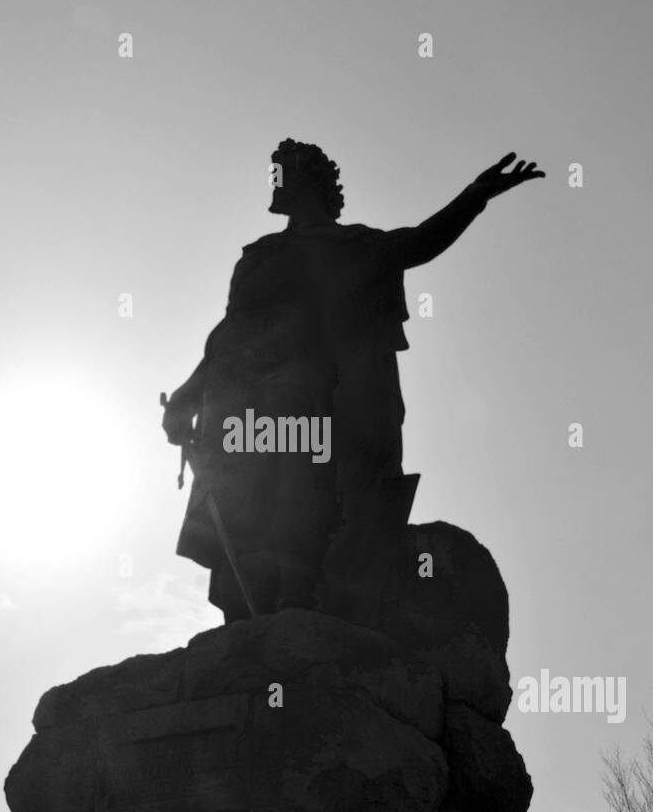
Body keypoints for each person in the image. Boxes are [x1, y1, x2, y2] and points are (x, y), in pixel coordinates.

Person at [163, 139, 544, 620]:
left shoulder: (354, 247)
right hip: (237, 398)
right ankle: (247, 619)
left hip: (308, 395)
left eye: (282, 173)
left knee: (293, 482)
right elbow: (226, 337)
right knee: (241, 503)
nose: (273, 183)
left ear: (310, 184)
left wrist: (474, 196)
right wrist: (188, 394)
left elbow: (419, 242)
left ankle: (296, 599)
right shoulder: (258, 257)